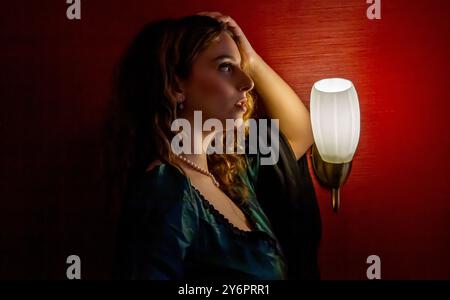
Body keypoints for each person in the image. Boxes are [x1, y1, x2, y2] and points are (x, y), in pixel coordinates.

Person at [102, 12, 321, 280]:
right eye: (226, 67)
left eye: (242, 69)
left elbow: (301, 133)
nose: (248, 82)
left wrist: (250, 59)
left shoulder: (229, 172)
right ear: (175, 85)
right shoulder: (164, 190)